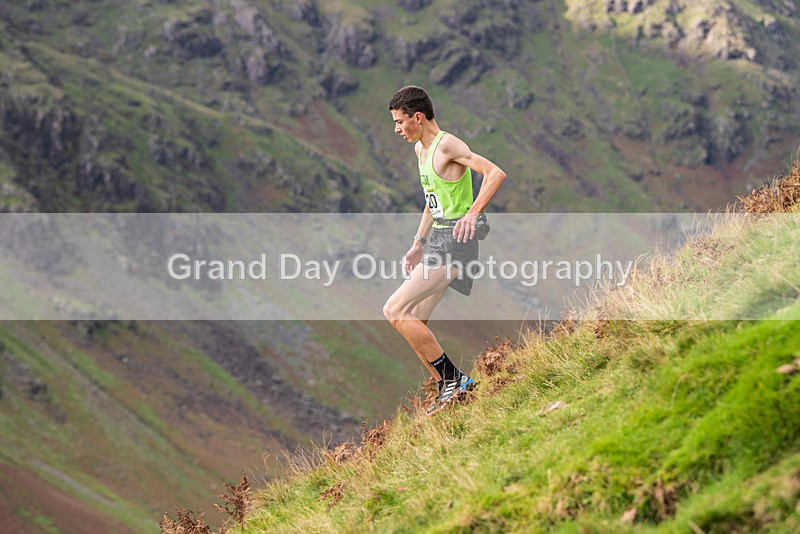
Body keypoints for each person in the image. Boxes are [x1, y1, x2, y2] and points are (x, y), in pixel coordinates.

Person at [383, 85, 507, 416]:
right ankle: (448, 388)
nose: (397, 130)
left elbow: (495, 173)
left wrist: (472, 213)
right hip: (438, 239)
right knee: (413, 320)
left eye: (399, 122)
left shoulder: (447, 144)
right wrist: (417, 243)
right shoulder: (421, 151)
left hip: (456, 242)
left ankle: (455, 381)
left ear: (418, 117)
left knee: (394, 310)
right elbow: (431, 200)